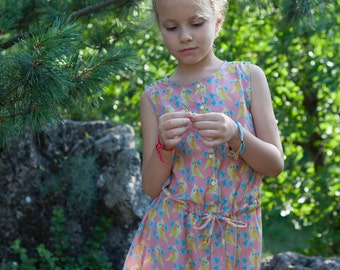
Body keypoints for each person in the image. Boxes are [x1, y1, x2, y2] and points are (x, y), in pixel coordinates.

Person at [124, 0, 284, 269]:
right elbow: (151, 188)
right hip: (173, 237)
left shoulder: (248, 78)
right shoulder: (154, 98)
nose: (185, 36)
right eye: (171, 27)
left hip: (237, 236)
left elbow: (275, 165)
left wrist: (237, 135)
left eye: (196, 23)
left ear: (218, 19)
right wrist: (165, 146)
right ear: (160, 28)